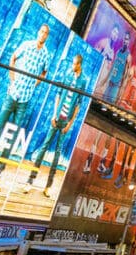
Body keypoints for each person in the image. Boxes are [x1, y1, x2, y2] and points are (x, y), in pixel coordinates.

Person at [0, 24, 54, 192]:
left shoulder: (46, 54)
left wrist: (35, 84)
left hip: (25, 99)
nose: (42, 34)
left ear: (47, 37)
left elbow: (44, 73)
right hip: (12, 94)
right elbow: (13, 58)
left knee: (11, 140)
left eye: (45, 33)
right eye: (41, 31)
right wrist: (12, 78)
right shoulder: (26, 44)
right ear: (38, 32)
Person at [22, 54, 87, 196]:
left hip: (66, 121)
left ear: (79, 65)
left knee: (57, 153)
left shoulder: (83, 81)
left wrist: (70, 123)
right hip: (57, 118)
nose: (72, 66)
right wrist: (54, 114)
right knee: (44, 147)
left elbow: (79, 104)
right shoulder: (67, 75)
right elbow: (58, 94)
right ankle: (30, 181)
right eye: (72, 63)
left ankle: (48, 186)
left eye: (75, 64)